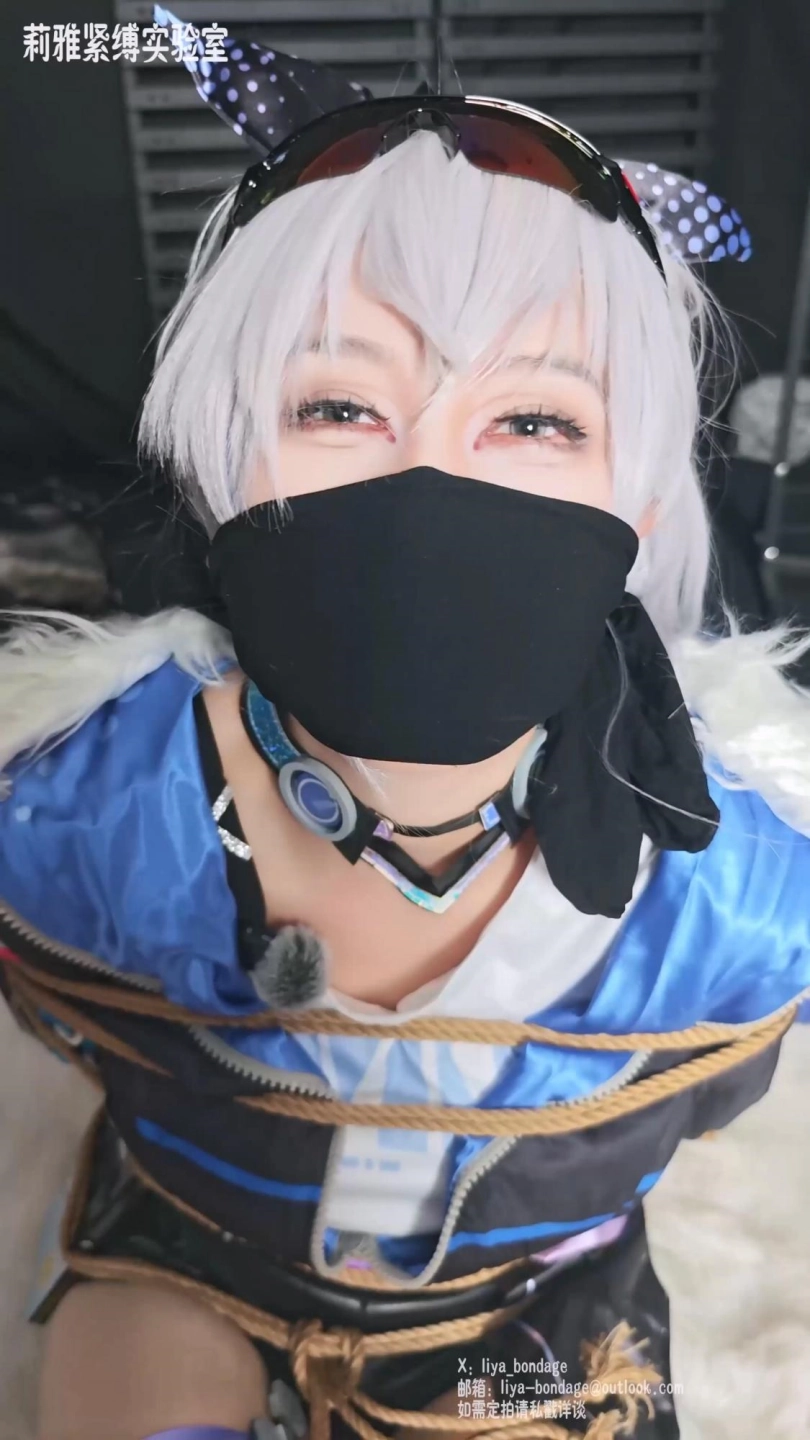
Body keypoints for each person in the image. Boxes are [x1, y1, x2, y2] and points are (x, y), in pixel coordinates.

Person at [0, 13, 807, 1440]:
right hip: (183, 1249)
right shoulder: (69, 822)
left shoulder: (743, 900)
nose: (430, 478)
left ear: (639, 502)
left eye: (536, 423)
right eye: (337, 402)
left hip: (526, 1300)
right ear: (219, 465)